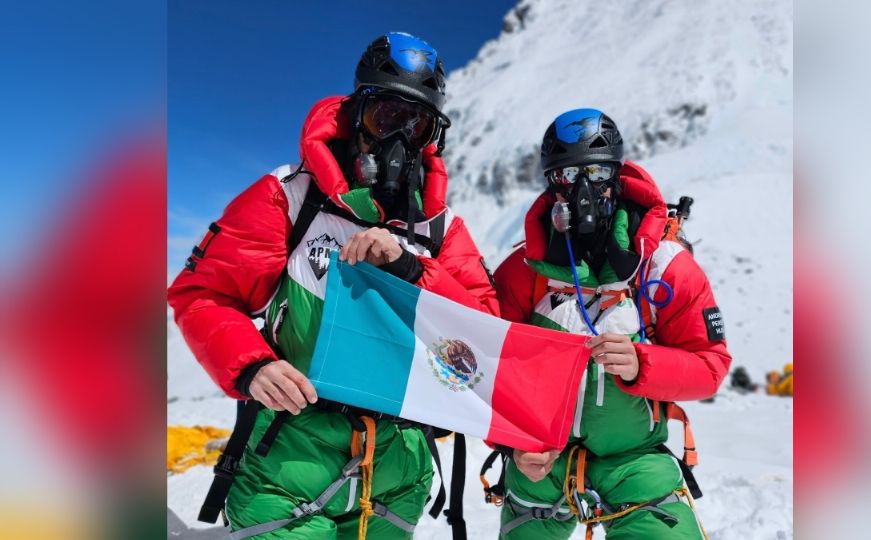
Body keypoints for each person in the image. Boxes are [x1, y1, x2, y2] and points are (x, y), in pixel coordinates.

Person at [168, 32, 498, 539]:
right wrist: (253, 366)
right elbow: (203, 294)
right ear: (354, 114)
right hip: (289, 460)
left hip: (397, 473)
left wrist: (413, 270)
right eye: (384, 117)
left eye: (417, 125)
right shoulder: (289, 198)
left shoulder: (440, 230)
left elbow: (484, 335)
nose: (397, 140)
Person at [492, 109, 732, 539]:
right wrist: (511, 443)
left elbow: (710, 366)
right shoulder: (523, 270)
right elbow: (486, 368)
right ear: (551, 184)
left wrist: (645, 365)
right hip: (540, 459)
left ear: (618, 176)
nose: (584, 188)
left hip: (636, 459)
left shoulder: (663, 266)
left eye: (598, 172)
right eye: (567, 175)